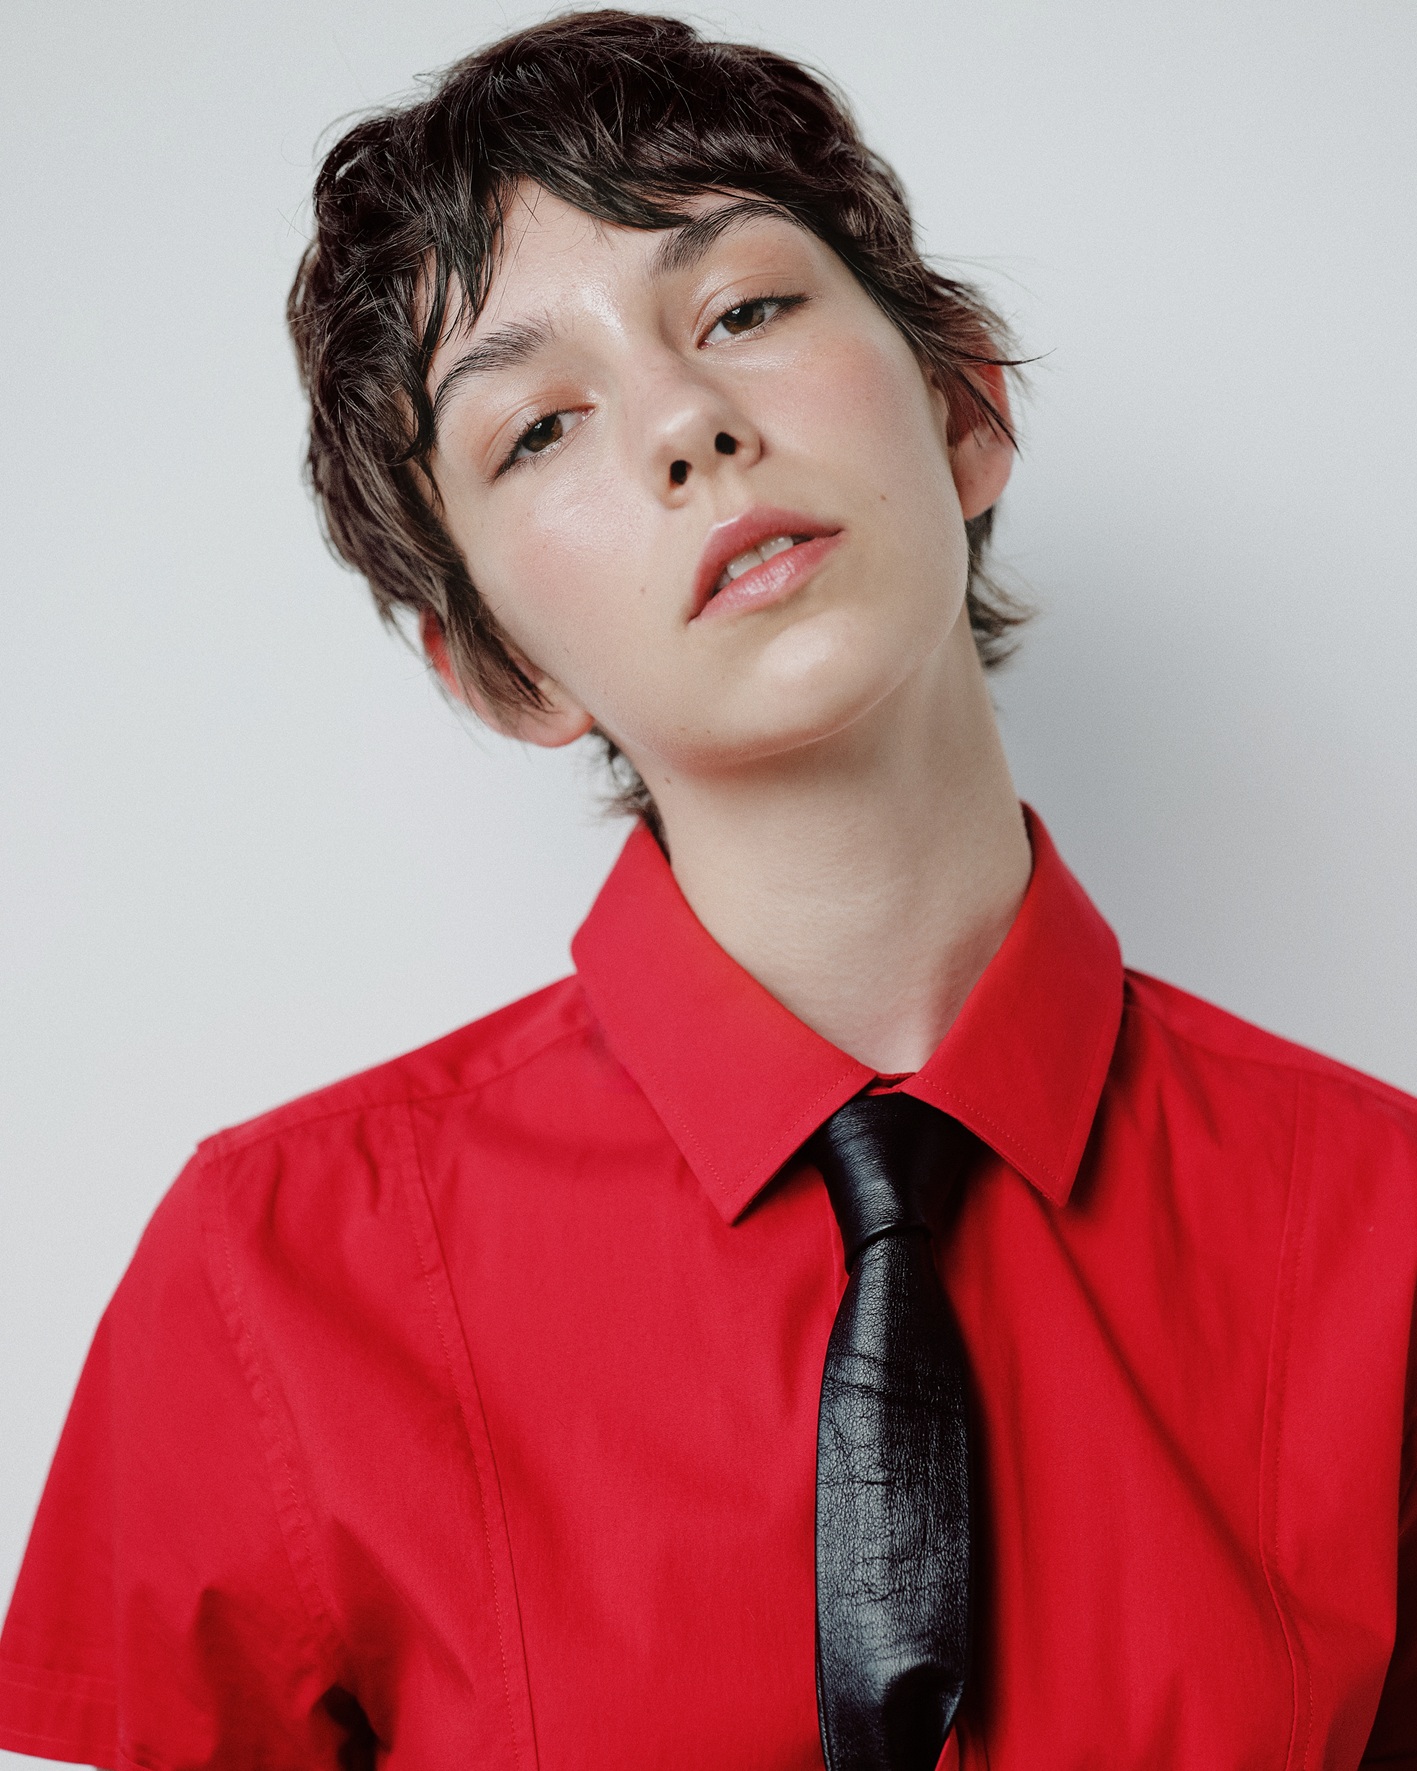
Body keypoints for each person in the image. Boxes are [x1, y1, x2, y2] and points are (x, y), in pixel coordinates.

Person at [1, 11, 1414, 1769]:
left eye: (742, 310)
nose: (685, 423)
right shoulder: (276, 1271)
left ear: (965, 406)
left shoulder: (1386, 1230)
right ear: (498, 667)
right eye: (538, 427)